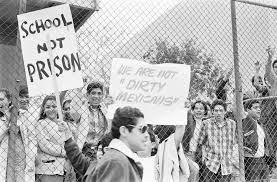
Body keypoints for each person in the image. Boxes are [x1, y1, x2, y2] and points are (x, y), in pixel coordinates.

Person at [61, 106, 148, 182]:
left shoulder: (118, 159)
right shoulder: (116, 162)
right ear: (124, 131)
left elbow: (83, 164)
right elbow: (83, 163)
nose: (147, 135)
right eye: (142, 129)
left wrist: (69, 139)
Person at [192, 99, 238, 182]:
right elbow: (201, 142)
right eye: (216, 110)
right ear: (212, 112)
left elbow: (234, 142)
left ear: (225, 111)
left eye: (221, 110)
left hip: (226, 163)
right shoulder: (206, 123)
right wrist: (204, 159)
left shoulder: (232, 124)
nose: (218, 113)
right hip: (211, 162)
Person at [35, 95, 68, 182]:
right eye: (48, 107)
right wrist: (65, 152)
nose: (51, 109)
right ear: (43, 109)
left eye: (54, 106)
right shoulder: (41, 123)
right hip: (47, 169)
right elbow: (45, 145)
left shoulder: (63, 124)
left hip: (62, 168)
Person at [243, 99, 274, 182]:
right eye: (255, 107)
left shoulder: (259, 124)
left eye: (259, 107)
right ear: (247, 110)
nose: (259, 109)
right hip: (251, 161)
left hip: (263, 160)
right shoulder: (246, 122)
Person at [183, 100, 208, 182]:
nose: (198, 110)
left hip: (200, 154)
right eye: (196, 108)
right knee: (194, 171)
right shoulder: (189, 120)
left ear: (205, 111)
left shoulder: (207, 123)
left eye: (201, 108)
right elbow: (187, 114)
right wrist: (188, 108)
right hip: (188, 153)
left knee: (198, 176)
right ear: (193, 110)